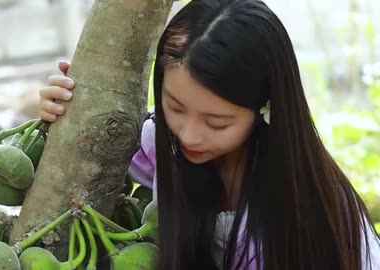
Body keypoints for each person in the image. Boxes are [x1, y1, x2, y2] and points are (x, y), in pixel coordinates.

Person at [38, 0, 380, 269]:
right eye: (174, 106)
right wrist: (67, 111)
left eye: (217, 123)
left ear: (266, 108)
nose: (189, 135)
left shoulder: (305, 209)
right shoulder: (161, 143)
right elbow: (85, 158)